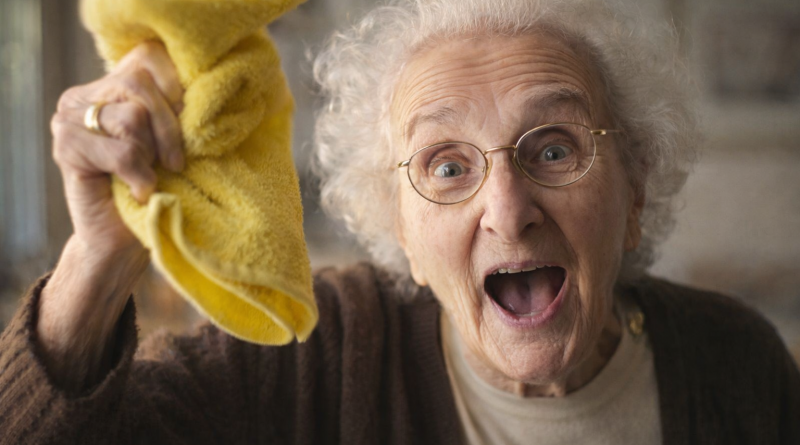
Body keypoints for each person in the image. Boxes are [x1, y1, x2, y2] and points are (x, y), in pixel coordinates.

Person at [1, 0, 798, 443]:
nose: (508, 211)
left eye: (553, 149)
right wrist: (100, 255)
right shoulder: (312, 358)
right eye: (447, 167)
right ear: (400, 230)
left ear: (633, 192)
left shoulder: (735, 365)